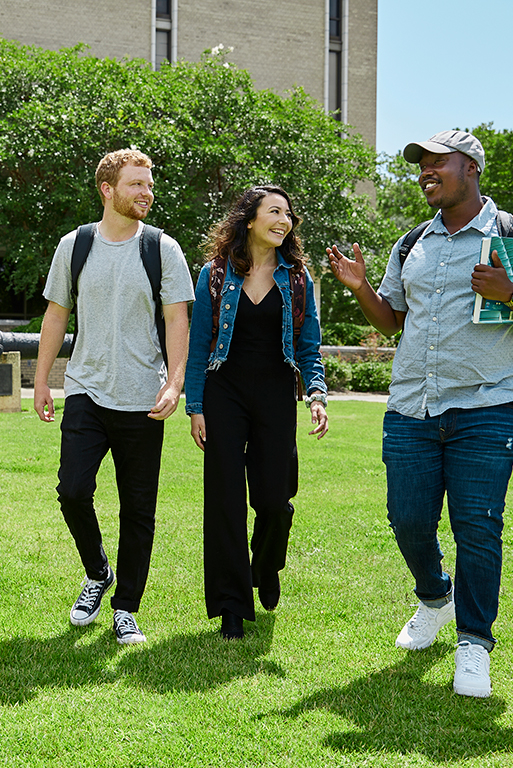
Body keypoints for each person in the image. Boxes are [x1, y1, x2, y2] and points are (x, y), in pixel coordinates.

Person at [327, 131, 513, 697]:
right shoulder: (412, 244)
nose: (426, 172)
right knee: (407, 518)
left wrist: (511, 295)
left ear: (472, 168)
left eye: (439, 163)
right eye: (422, 165)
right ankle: (435, 596)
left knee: (477, 526)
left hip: (488, 403)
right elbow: (391, 322)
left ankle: (474, 644)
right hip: (413, 403)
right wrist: (362, 288)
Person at [34, 149, 194, 644]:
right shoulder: (75, 244)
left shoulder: (162, 248)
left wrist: (174, 382)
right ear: (108, 189)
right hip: (85, 387)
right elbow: (57, 314)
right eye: (137, 184)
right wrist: (43, 379)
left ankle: (126, 605)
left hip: (142, 394)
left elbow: (176, 319)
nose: (147, 192)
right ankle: (97, 571)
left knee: (138, 505)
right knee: (73, 490)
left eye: (149, 183)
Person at [185, 185, 328, 640]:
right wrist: (195, 406)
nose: (284, 220)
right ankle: (230, 603)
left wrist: (317, 395)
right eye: (274, 212)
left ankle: (265, 565)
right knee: (224, 499)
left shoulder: (298, 278)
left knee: (273, 500)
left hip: (275, 394)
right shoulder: (214, 275)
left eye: (288, 214)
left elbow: (308, 347)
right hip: (223, 392)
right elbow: (197, 347)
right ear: (250, 220)